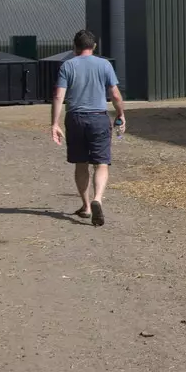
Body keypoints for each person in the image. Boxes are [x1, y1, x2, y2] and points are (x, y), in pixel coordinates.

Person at [50, 30, 125, 226]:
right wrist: (120, 114)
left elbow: (59, 96)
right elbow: (115, 95)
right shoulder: (105, 65)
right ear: (94, 47)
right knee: (101, 163)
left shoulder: (67, 65)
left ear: (74, 46)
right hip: (99, 118)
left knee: (81, 163)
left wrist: (55, 123)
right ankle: (97, 199)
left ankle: (86, 207)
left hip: (75, 118)